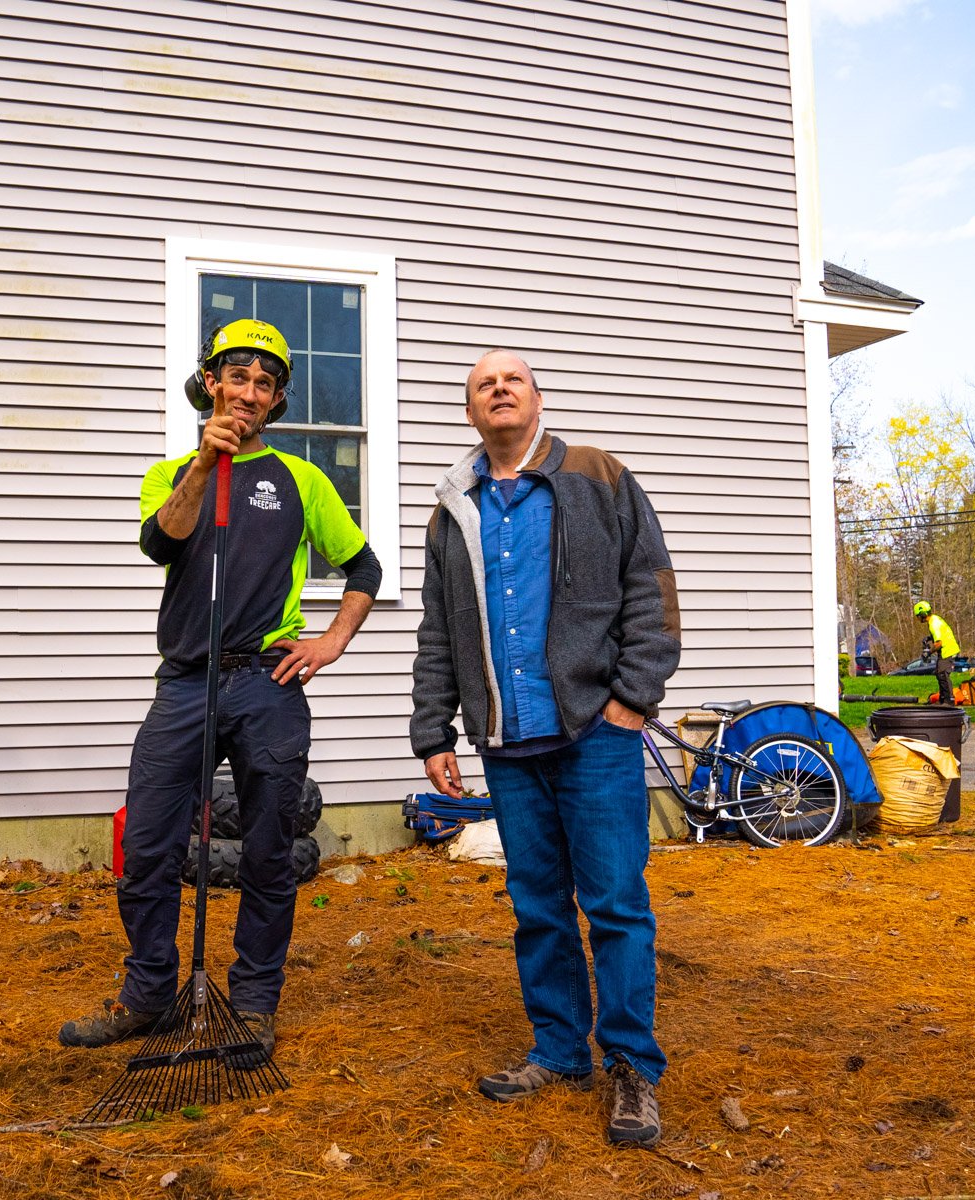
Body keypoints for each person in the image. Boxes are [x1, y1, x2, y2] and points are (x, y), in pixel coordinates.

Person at [60, 319, 381, 1063]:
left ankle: (255, 1004)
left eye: (264, 384)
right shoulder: (170, 474)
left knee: (269, 852)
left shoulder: (303, 481)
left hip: (266, 685)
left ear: (275, 402)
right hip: (184, 686)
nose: (249, 392)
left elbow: (364, 569)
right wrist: (206, 464)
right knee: (146, 847)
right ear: (212, 384)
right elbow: (161, 543)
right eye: (237, 377)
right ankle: (146, 998)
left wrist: (330, 643)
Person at [410, 349, 681, 1148]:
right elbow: (437, 632)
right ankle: (560, 1050)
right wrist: (434, 728)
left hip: (595, 731)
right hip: (507, 739)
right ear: (470, 413)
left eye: (513, 379)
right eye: (483, 384)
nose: (499, 389)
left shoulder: (599, 477)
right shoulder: (450, 509)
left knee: (616, 906)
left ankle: (632, 1067)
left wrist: (634, 698)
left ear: (537, 399)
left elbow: (651, 588)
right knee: (537, 908)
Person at [913, 601, 960, 705]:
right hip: (945, 651)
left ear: (922, 615)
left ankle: (949, 701)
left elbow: (939, 643)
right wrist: (929, 638)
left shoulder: (933, 624)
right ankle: (942, 700)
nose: (918, 618)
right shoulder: (935, 619)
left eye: (918, 616)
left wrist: (928, 652)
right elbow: (941, 633)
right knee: (939, 674)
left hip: (947, 650)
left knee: (943, 675)